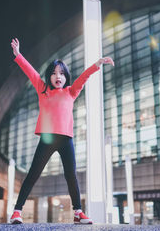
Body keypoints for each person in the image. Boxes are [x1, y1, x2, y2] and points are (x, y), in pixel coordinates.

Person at [10, 38, 114, 224]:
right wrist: (18, 55)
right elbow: (31, 73)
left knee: (71, 175)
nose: (58, 76)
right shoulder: (43, 89)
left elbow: (84, 77)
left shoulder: (71, 92)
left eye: (61, 73)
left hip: (66, 139)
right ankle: (17, 211)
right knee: (33, 173)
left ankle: (78, 212)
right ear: (49, 76)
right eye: (54, 73)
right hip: (47, 139)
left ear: (66, 77)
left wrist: (97, 64)